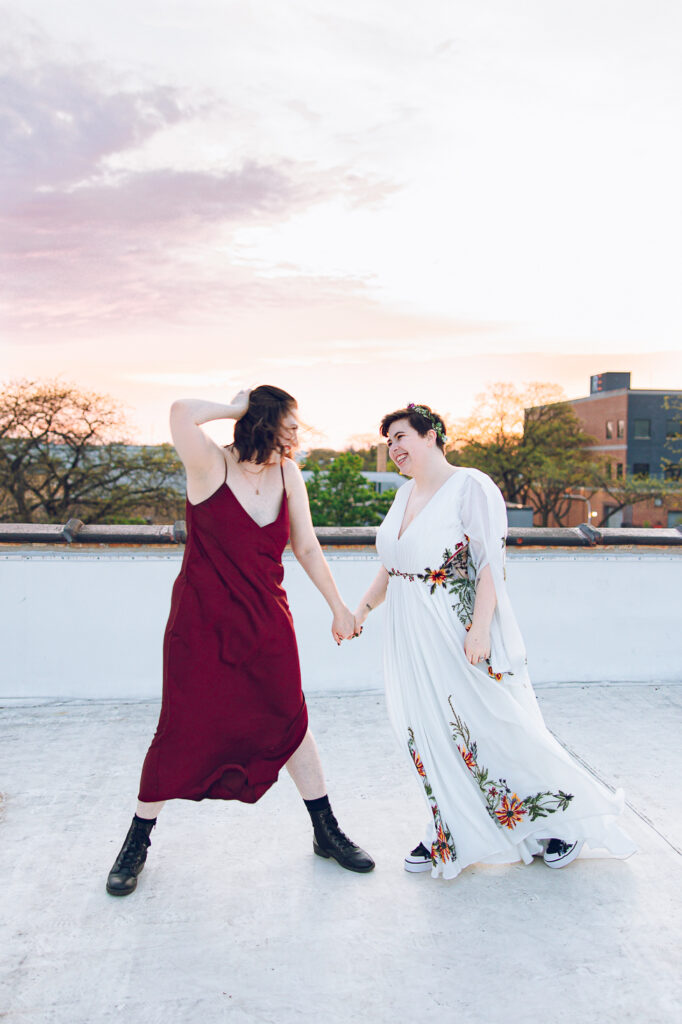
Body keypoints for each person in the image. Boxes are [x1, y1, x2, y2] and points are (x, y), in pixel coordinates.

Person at [106, 386, 374, 896]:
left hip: (267, 624)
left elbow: (307, 547)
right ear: (262, 422)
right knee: (180, 728)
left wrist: (339, 607)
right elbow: (180, 412)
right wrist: (235, 406)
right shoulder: (209, 464)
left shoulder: (289, 474)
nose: (296, 435)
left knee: (290, 719)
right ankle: (136, 841)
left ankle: (326, 831)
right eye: (288, 425)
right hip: (200, 625)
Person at [353, 403, 636, 879]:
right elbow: (393, 566)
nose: (394, 448)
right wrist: (360, 611)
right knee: (431, 730)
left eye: (401, 437)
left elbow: (490, 563)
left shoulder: (470, 486)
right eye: (389, 442)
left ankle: (565, 819)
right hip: (409, 637)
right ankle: (449, 828)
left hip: (455, 628)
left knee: (495, 725)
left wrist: (480, 630)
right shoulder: (404, 496)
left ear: (431, 435)